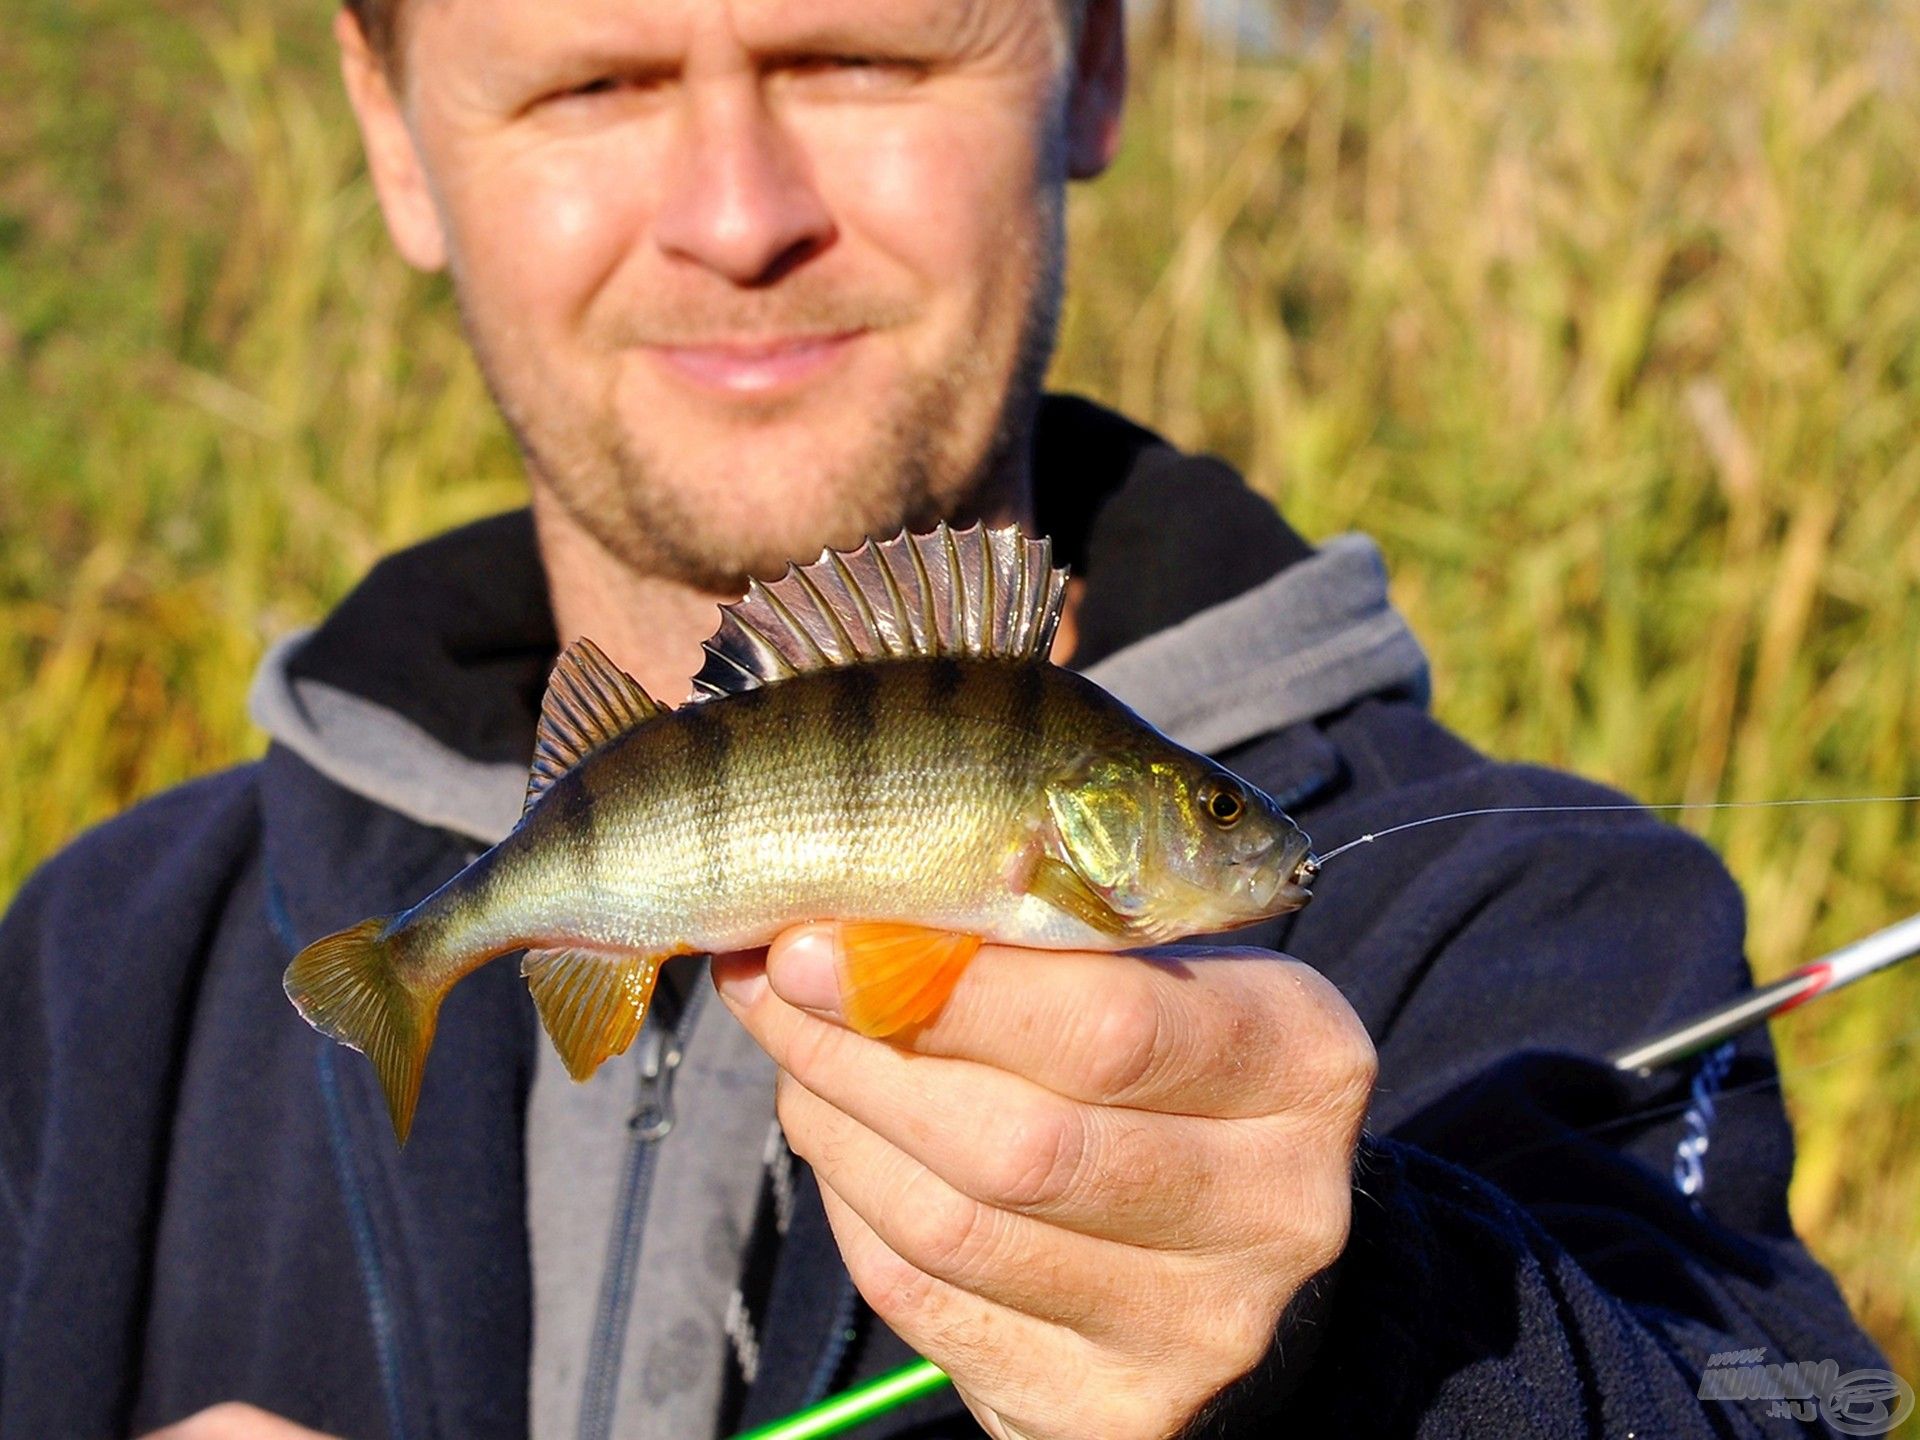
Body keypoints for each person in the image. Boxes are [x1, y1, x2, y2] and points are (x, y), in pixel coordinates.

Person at [0, 1, 1887, 1437]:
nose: (738, 219)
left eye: (867, 55)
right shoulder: (83, 984)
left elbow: (1788, 1401)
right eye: (594, 83)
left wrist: (1375, 1329)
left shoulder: (1553, 926)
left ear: (1093, 59)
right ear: (391, 136)